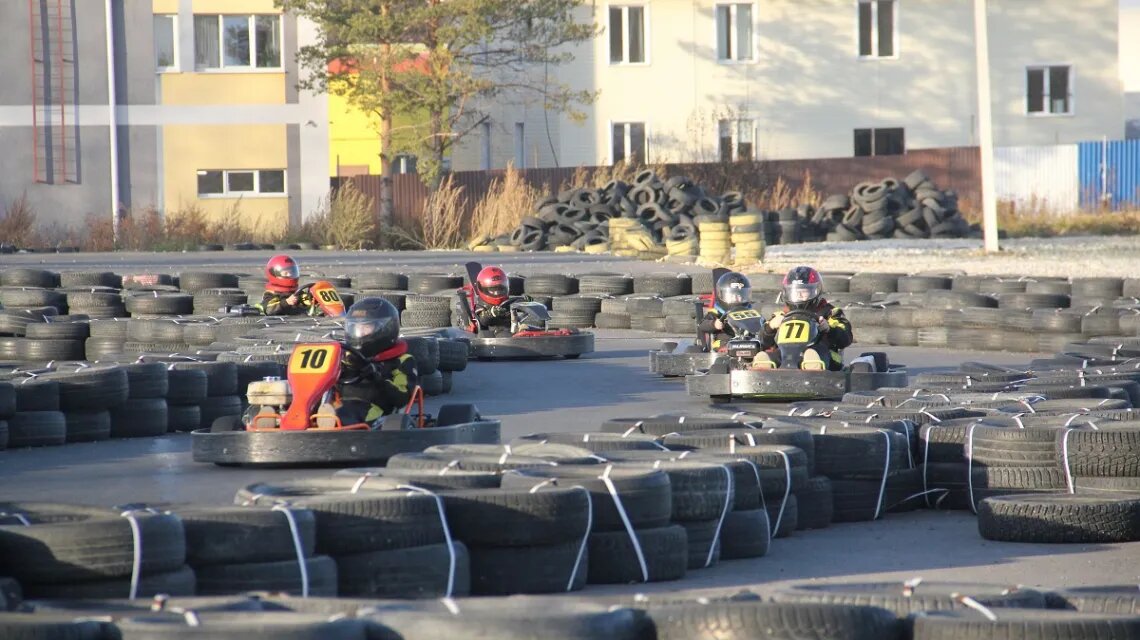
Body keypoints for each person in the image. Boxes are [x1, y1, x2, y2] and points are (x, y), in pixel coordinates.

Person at [335, 297, 419, 425]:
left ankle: (331, 424)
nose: (360, 332)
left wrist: (376, 376)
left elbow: (401, 397)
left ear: (385, 328)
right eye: (355, 327)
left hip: (377, 410)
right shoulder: (346, 357)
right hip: (338, 403)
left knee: (345, 413)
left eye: (366, 327)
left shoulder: (401, 360)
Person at [752, 266, 853, 371]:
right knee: (771, 355)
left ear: (815, 291)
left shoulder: (829, 312)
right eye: (795, 292)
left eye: (804, 291)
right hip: (786, 354)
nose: (799, 295)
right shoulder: (781, 315)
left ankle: (813, 368)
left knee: (814, 353)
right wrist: (770, 327)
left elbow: (846, 337)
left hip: (822, 353)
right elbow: (762, 341)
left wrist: (829, 329)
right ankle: (764, 367)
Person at [697, 271, 756, 351]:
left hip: (747, 343)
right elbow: (702, 325)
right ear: (723, 295)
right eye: (733, 296)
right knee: (724, 346)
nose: (737, 299)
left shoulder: (750, 312)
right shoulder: (716, 312)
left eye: (739, 295)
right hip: (723, 344)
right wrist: (714, 324)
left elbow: (761, 324)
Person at [469, 266, 525, 335]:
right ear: (483, 289)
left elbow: (517, 304)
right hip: (494, 336)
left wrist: (527, 302)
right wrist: (491, 313)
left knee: (529, 327)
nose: (497, 292)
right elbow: (483, 320)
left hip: (513, 330)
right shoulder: (481, 306)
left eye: (500, 289)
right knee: (504, 334)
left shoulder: (507, 301)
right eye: (493, 289)